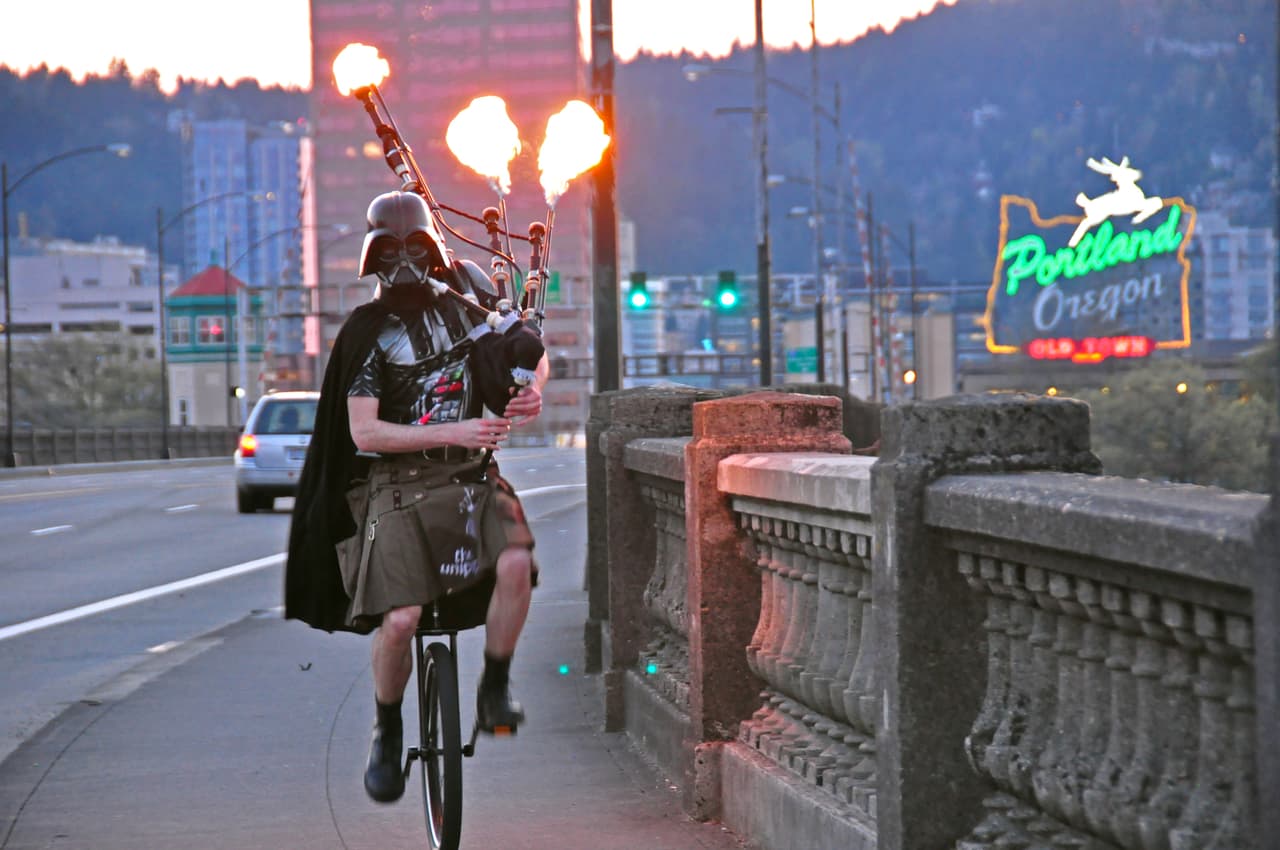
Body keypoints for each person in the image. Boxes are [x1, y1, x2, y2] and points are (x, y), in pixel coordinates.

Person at [284, 190, 550, 804]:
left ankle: (496, 687)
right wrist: (453, 429)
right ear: (373, 256)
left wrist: (529, 390)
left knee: (516, 565)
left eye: (414, 249)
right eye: (391, 251)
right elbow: (363, 432)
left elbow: (523, 354)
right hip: (396, 485)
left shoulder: (470, 301)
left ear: (430, 249)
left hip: (471, 477)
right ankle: (387, 726)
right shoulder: (367, 334)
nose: (403, 264)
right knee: (400, 619)